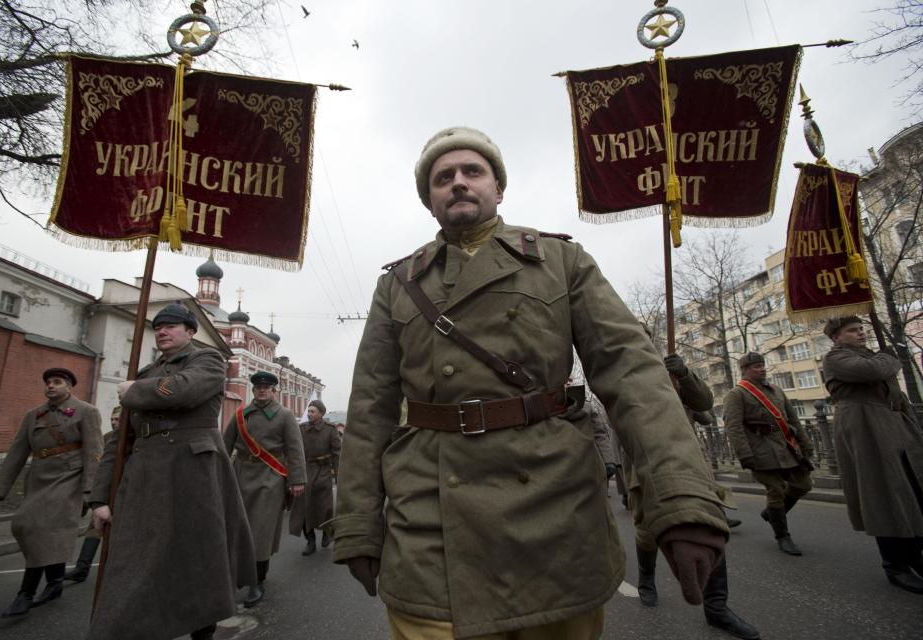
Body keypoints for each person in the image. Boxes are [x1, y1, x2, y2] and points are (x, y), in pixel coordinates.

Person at [331, 126, 729, 639]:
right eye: (442, 177)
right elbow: (369, 409)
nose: (458, 183)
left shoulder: (562, 262)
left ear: (498, 188)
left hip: (553, 508)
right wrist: (358, 524)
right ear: (429, 200)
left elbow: (633, 376)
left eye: (472, 172)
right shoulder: (398, 284)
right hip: (429, 514)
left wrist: (681, 499)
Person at [87, 303, 256, 640]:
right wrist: (100, 499)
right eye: (157, 327)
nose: (162, 331)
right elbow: (119, 444)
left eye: (171, 326)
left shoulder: (207, 360)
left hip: (192, 475)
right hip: (144, 480)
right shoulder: (147, 373)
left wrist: (135, 391)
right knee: (134, 563)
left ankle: (201, 626)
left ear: (191, 332)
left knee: (196, 558)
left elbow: (185, 389)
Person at [626, 353, 759, 639]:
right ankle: (647, 579)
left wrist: (684, 375)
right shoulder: (624, 373)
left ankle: (716, 608)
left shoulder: (672, 372)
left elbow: (704, 404)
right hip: (647, 460)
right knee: (648, 530)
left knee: (706, 523)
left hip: (687, 460)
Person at [822, 316, 923, 593]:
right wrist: (890, 357)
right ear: (837, 337)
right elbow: (871, 371)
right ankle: (895, 565)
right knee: (882, 494)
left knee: (911, 492)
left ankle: (915, 556)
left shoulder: (872, 356)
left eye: (861, 329)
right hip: (865, 429)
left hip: (893, 428)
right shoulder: (835, 358)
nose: (861, 333)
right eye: (852, 331)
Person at [0, 367, 103, 617]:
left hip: (69, 478)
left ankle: (25, 593)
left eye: (57, 382)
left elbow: (94, 452)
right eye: (48, 382)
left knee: (38, 528)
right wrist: (1, 488)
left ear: (69, 387)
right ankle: (54, 583)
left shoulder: (86, 411)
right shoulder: (33, 415)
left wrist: (89, 489)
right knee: (30, 527)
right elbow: (18, 451)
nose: (51, 386)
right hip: (39, 479)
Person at [224, 371, 307, 607]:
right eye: (258, 387)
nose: (262, 390)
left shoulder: (285, 416)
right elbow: (224, 446)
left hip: (270, 479)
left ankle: (256, 581)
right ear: (253, 390)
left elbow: (295, 450)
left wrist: (297, 480)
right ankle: (235, 577)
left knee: (260, 531)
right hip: (240, 476)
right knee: (238, 529)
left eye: (267, 387)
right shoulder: (241, 414)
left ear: (274, 391)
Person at [724, 352, 815, 556]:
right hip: (761, 451)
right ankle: (783, 536)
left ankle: (772, 513)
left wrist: (805, 445)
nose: (761, 368)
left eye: (762, 365)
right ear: (745, 370)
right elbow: (734, 427)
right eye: (756, 366)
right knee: (775, 490)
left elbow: (793, 419)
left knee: (803, 485)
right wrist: (745, 455)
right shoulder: (737, 394)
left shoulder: (776, 390)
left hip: (786, 448)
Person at [65, 405, 122, 583]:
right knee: (94, 527)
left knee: (118, 531)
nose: (114, 422)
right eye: (112, 419)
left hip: (125, 491)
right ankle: (82, 568)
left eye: (118, 419)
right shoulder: (107, 438)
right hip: (105, 491)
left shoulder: (135, 437)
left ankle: (118, 570)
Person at [289, 399, 341, 555]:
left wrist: (338, 475)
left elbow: (337, 454)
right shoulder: (301, 429)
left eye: (313, 411)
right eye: (309, 411)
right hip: (304, 472)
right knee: (303, 509)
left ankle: (326, 533)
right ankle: (310, 541)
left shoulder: (330, 430)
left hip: (323, 471)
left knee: (325, 507)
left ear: (321, 413)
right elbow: (293, 451)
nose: (309, 414)